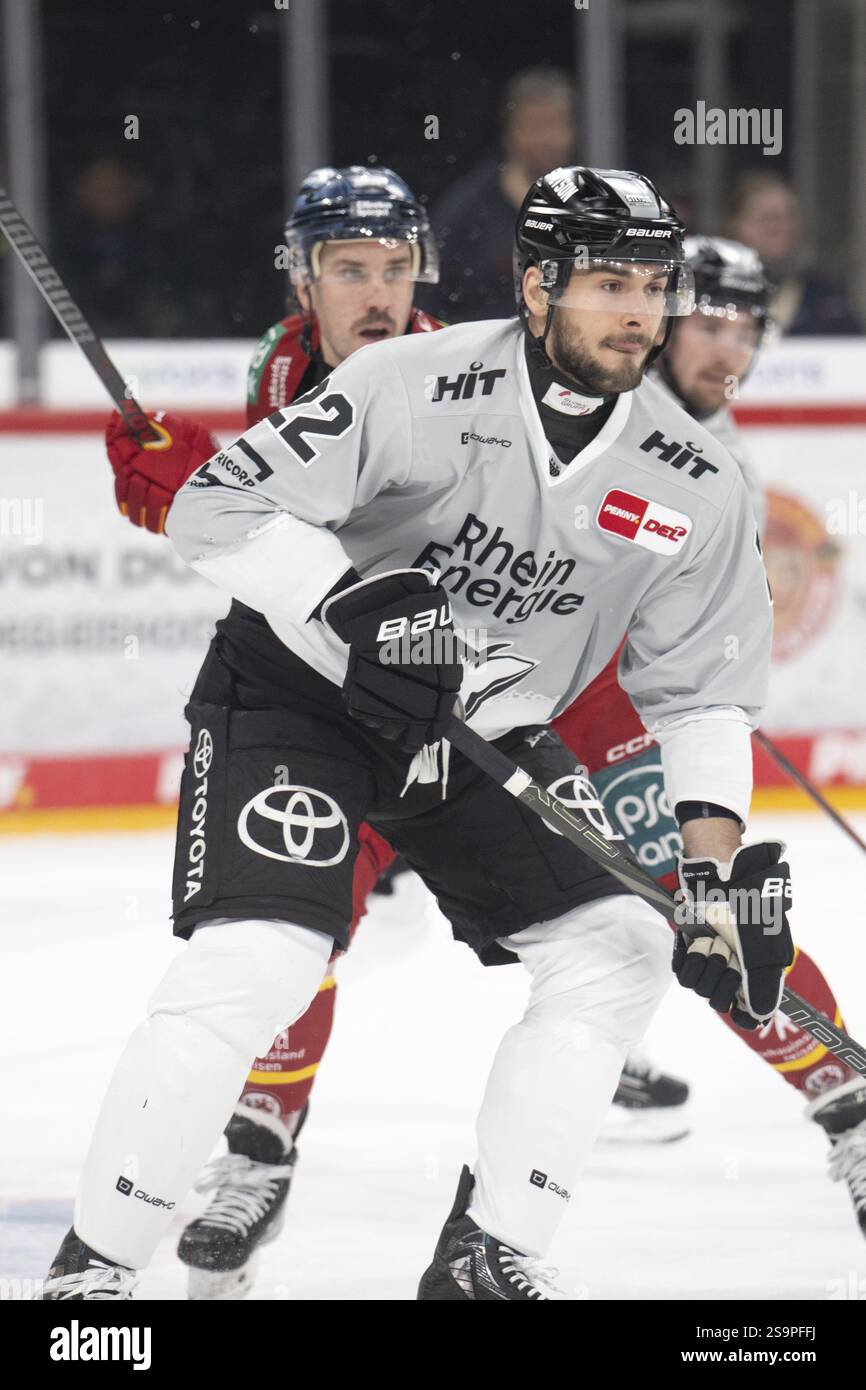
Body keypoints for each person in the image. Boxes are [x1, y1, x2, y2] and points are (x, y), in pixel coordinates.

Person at [40, 164, 793, 1302]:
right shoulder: (409, 380)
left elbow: (699, 694)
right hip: (301, 698)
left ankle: (488, 1256)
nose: (639, 313)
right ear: (535, 284)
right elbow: (216, 505)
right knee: (263, 957)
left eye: (653, 285)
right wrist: (349, 594)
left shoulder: (698, 475)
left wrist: (711, 868)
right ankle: (92, 1277)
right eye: (606, 283)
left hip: (482, 732)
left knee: (617, 949)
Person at [567, 237, 866, 1211]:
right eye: (707, 318)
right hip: (472, 693)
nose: (726, 343)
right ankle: (242, 1115)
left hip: (604, 707)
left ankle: (848, 1098)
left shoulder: (719, 454)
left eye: (745, 323)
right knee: (337, 911)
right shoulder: (582, 394)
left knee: (701, 906)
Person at [429, 67, 578, 322]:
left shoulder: (593, 205)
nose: (546, 140)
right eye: (534, 126)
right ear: (510, 131)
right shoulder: (465, 211)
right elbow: (432, 298)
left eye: (555, 125)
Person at [727, 171, 862, 336]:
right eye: (768, 218)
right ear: (736, 225)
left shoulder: (826, 299)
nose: (783, 228)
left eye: (790, 217)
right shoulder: (709, 297)